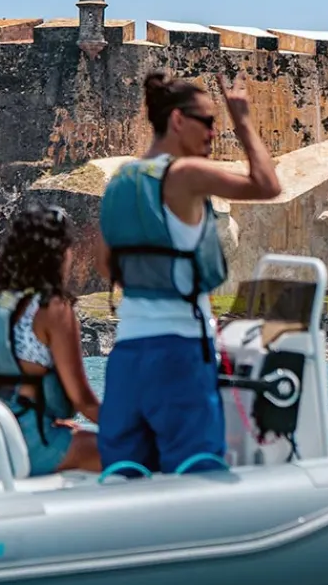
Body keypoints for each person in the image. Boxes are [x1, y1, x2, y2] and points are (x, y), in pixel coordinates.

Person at [94, 69, 281, 475]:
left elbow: (105, 264)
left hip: (126, 354)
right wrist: (243, 120)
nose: (214, 133)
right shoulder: (186, 174)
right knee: (197, 472)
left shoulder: (118, 183)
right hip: (178, 353)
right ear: (177, 120)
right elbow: (267, 185)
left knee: (125, 475)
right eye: (210, 122)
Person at [0, 205, 102, 474]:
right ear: (59, 254)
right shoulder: (53, 309)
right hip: (30, 446)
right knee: (133, 451)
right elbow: (84, 400)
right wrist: (132, 432)